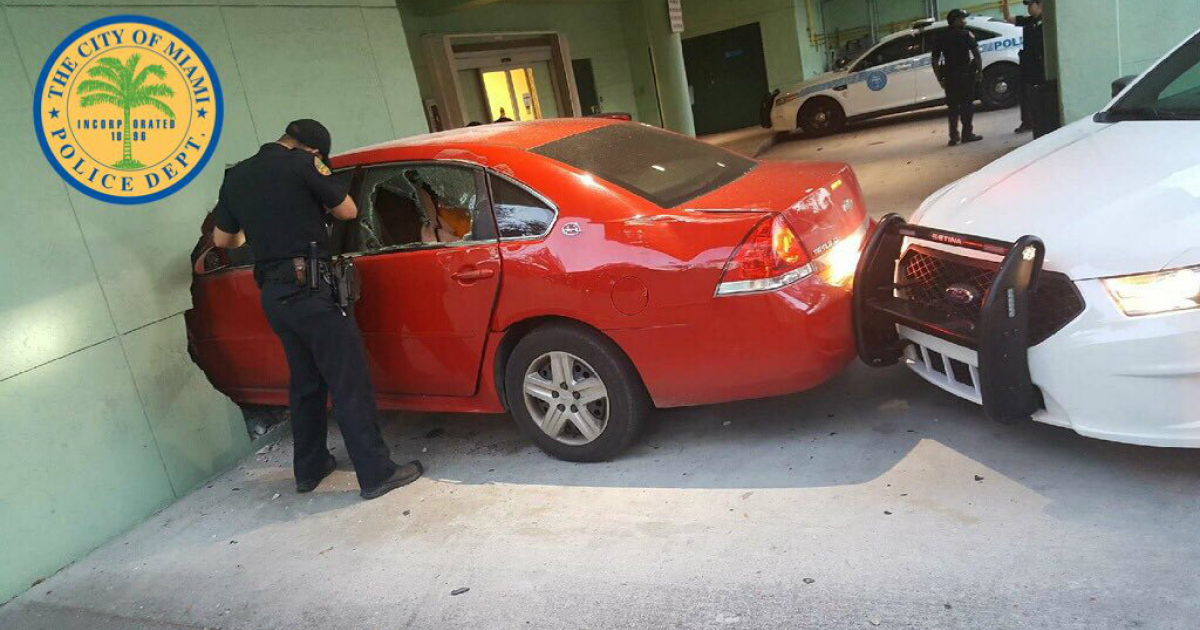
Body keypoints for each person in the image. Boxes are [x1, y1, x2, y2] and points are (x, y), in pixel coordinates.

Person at [210, 119, 423, 500]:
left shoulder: (236, 176)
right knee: (348, 380)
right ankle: (376, 472)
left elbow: (225, 238)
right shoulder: (304, 164)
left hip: (274, 296)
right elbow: (347, 211)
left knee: (306, 382)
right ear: (313, 150)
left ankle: (309, 469)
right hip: (311, 290)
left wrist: (260, 225)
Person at [932, 9, 984, 146]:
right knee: (967, 106)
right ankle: (967, 134)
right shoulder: (966, 35)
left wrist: (940, 78)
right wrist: (979, 71)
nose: (964, 21)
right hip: (966, 77)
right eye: (962, 19)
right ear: (955, 20)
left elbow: (934, 60)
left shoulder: (941, 36)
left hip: (950, 78)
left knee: (953, 108)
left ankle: (954, 137)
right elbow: (977, 54)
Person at [1002, 0, 1045, 133]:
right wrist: (1005, 3)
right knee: (1025, 94)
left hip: (1040, 64)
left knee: (1039, 94)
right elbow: (1009, 18)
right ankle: (1027, 122)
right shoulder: (1029, 20)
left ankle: (1038, 120)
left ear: (1039, 5)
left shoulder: (1046, 20)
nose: (1028, 9)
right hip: (1027, 64)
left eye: (1030, 5)